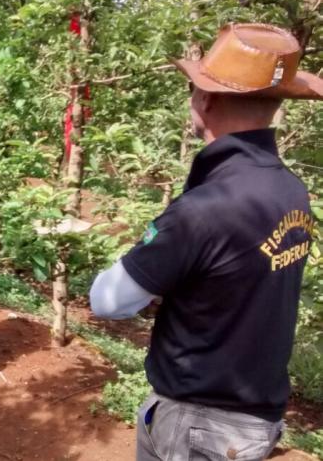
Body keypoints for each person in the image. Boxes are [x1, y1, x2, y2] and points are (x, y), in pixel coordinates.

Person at [89, 23, 321, 460]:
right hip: (253, 420)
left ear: (205, 99)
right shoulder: (291, 191)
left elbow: (108, 301)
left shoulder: (205, 208)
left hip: (200, 426)